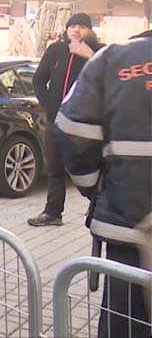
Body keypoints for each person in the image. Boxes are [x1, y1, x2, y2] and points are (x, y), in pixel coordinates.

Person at [52, 29, 151, 337]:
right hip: (129, 231)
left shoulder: (112, 59)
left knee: (125, 326)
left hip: (129, 230)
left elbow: (71, 130)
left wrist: (95, 188)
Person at [27, 12, 103, 227]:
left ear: (89, 30)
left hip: (85, 125)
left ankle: (97, 207)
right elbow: (39, 79)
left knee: (90, 169)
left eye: (81, 26)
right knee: (55, 169)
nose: (76, 30)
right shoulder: (55, 50)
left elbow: (106, 75)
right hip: (55, 120)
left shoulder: (99, 52)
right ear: (67, 29)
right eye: (72, 26)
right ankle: (53, 213)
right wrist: (47, 102)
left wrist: (88, 54)